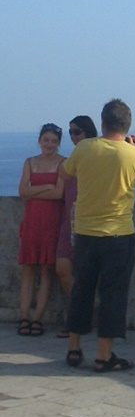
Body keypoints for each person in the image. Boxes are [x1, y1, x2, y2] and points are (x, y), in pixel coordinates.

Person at [59, 98, 135, 371]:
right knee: (113, 294)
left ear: (102, 123)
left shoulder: (85, 148)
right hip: (119, 235)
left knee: (81, 291)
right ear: (127, 126)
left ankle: (74, 349)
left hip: (86, 234)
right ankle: (104, 356)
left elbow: (65, 175)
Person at [17, 123, 66, 336]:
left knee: (46, 271)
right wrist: (46, 187)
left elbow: (59, 195)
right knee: (28, 270)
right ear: (40, 141)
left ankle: (37, 319)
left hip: (51, 224)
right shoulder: (30, 162)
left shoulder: (63, 164)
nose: (49, 144)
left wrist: (33, 191)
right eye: (46, 140)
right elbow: (22, 191)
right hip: (32, 223)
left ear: (58, 143)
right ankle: (24, 317)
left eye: (53, 141)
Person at [54, 115, 99, 337]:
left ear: (88, 132)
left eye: (77, 132)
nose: (72, 136)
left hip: (87, 221)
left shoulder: (95, 155)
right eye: (70, 132)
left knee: (83, 275)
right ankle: (79, 316)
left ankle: (76, 323)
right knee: (62, 269)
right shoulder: (73, 158)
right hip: (68, 221)